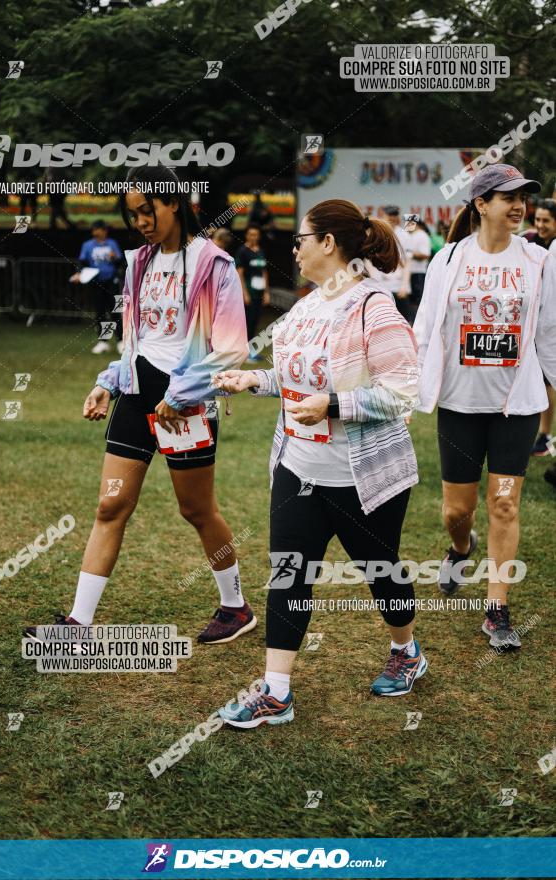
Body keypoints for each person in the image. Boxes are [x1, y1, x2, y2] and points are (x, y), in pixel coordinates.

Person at [213, 198, 426, 728]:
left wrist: (335, 405)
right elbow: (294, 380)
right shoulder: (306, 307)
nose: (295, 249)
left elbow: (405, 391)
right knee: (288, 574)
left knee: (382, 573)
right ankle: (276, 692)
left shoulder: (373, 306)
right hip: (299, 470)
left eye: (300, 239)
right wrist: (254, 380)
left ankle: (407, 651)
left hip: (363, 478)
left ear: (328, 244)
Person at [24, 165, 255, 646]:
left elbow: (233, 347)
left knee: (196, 509)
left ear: (175, 203)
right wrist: (108, 381)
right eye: (133, 215)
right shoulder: (139, 263)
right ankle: (77, 625)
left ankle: (235, 607)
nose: (141, 222)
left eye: (147, 210)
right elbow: (137, 340)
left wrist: (180, 395)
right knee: (111, 504)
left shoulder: (214, 264)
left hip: (184, 406)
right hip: (135, 395)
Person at [414, 164, 556, 649]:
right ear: (480, 203)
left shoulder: (539, 260)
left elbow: (550, 333)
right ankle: (461, 547)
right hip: (459, 404)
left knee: (503, 502)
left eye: (524, 197)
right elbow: (425, 326)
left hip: (515, 408)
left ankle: (496, 608)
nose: (519, 205)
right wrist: (409, 385)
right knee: (457, 510)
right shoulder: (449, 259)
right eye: (507, 196)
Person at [523, 200, 556, 456]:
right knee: (544, 381)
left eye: (546, 220)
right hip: (539, 325)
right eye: (538, 220)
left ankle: (545, 435)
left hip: (550, 326)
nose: (540, 225)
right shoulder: (531, 243)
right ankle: (544, 435)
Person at [71, 221, 124, 355]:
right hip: (96, 283)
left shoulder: (112, 244)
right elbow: (82, 262)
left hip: (112, 282)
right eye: (96, 229)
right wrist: (79, 272)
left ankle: (120, 341)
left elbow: (120, 261)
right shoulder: (88, 245)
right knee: (100, 313)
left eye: (101, 229)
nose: (98, 232)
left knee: (115, 312)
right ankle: (103, 342)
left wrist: (114, 258)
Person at [366, 205, 412, 322]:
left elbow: (406, 262)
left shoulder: (404, 235)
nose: (392, 219)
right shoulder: (376, 233)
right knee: (380, 320)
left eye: (394, 216)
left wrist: (405, 285)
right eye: (389, 216)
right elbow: (368, 260)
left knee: (403, 320)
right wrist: (373, 279)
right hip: (379, 284)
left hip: (397, 284)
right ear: (383, 216)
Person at [235, 224, 270, 362]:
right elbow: (239, 273)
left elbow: (264, 272)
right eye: (251, 234)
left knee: (255, 321)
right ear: (246, 235)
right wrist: (244, 293)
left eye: (256, 234)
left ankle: (251, 351)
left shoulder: (261, 251)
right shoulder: (242, 251)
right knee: (247, 323)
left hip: (259, 293)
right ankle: (244, 353)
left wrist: (266, 292)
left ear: (259, 236)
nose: (253, 237)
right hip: (248, 293)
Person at [407, 219, 432, 324]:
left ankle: (418, 324)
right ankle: (413, 323)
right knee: (412, 300)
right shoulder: (411, 235)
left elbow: (425, 254)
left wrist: (410, 254)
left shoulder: (422, 235)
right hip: (411, 272)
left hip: (419, 273)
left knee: (418, 301)